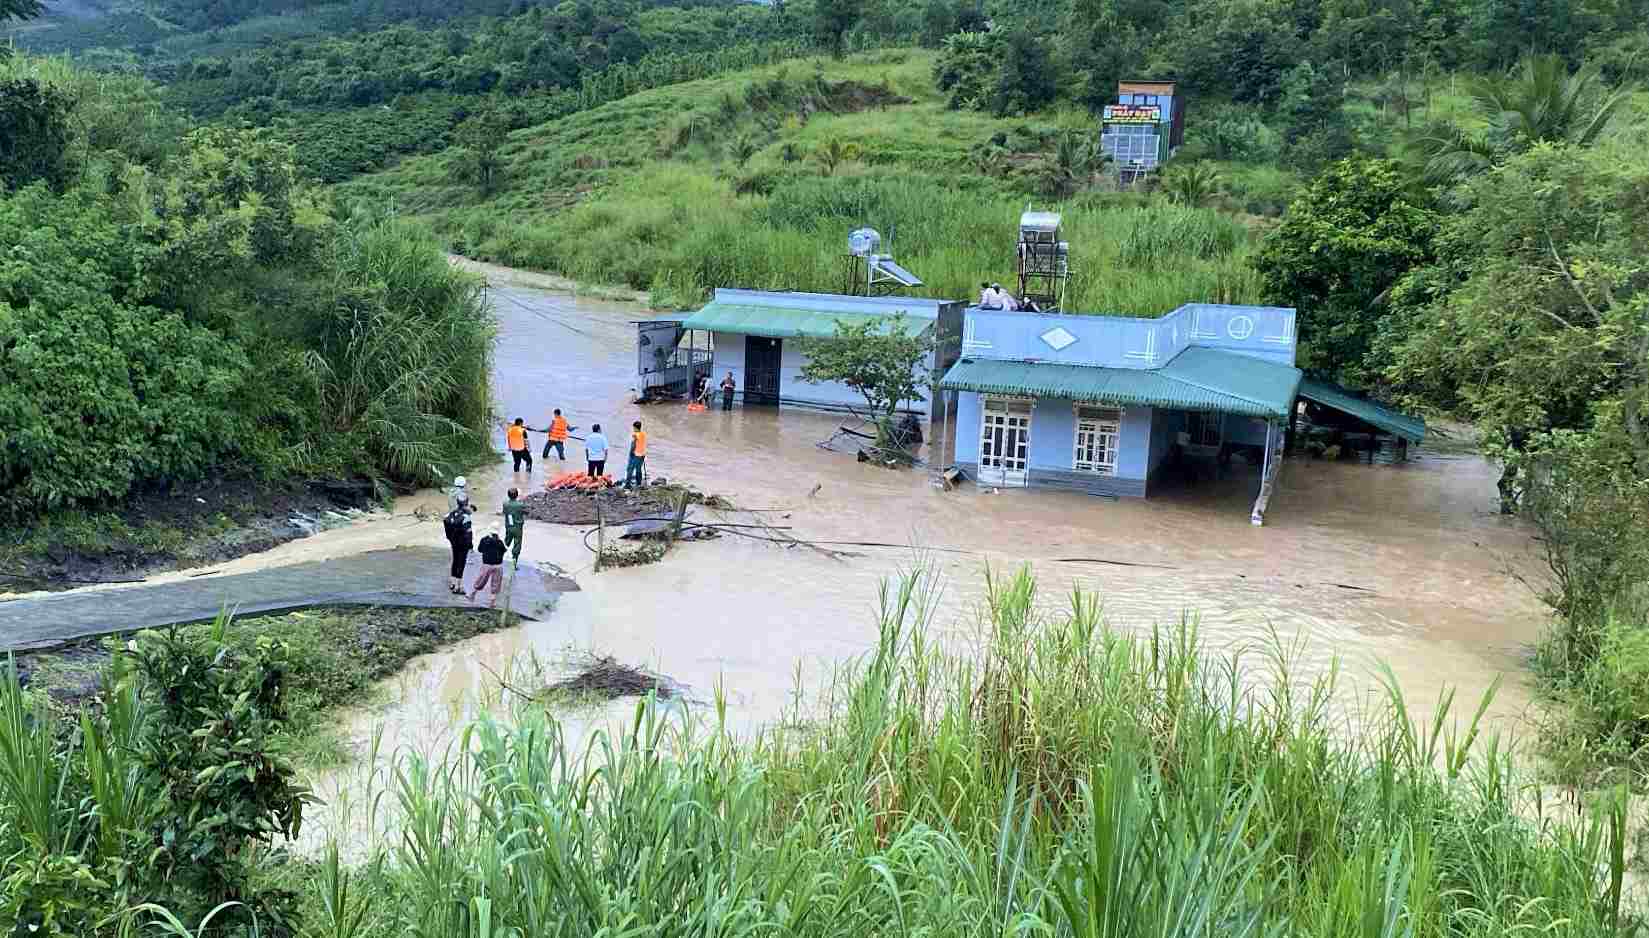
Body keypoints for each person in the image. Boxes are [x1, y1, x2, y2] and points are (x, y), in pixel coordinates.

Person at [442, 497, 474, 594]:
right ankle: (458, 586)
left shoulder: (451, 514)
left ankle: (452, 582)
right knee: (461, 563)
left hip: (454, 541)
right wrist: (471, 546)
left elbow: (445, 521)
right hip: (463, 543)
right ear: (466, 503)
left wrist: (450, 538)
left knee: (455, 560)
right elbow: (468, 534)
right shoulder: (466, 517)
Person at [468, 528, 508, 607]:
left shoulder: (484, 540)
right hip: (498, 565)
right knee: (496, 584)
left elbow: (480, 550)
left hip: (487, 564)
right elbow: (504, 550)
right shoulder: (499, 542)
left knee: (481, 580)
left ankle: (472, 594)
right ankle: (492, 602)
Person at [502, 487, 526, 567]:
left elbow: (504, 512)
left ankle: (499, 556)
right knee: (517, 545)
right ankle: (514, 563)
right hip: (518, 528)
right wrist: (522, 499)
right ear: (517, 495)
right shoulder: (520, 505)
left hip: (509, 526)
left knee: (506, 542)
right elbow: (526, 511)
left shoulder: (505, 504)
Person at [625, 420, 648, 488]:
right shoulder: (643, 434)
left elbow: (633, 445)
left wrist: (631, 453)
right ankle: (638, 483)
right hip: (642, 455)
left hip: (635, 454)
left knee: (630, 469)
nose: (633, 429)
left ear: (635, 427)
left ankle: (627, 485)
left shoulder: (635, 435)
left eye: (633, 427)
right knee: (638, 469)